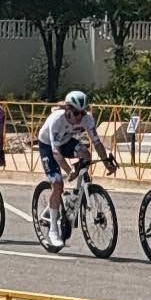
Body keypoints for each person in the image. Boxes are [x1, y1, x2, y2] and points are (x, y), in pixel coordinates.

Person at [37, 91, 116, 248]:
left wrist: (107, 161)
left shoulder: (87, 119)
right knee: (58, 184)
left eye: (82, 112)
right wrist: (68, 171)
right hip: (48, 145)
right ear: (67, 109)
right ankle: (53, 229)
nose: (79, 116)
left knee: (86, 155)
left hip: (67, 141)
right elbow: (56, 153)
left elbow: (97, 142)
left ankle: (78, 191)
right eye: (75, 113)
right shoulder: (56, 120)